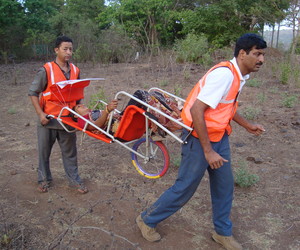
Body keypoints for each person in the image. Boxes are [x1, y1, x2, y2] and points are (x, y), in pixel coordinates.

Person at [136, 33, 267, 250]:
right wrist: (208, 151)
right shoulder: (225, 75)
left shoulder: (240, 75)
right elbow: (198, 109)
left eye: (263, 54)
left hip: (219, 137)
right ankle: (146, 219)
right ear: (242, 54)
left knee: (224, 187)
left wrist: (247, 124)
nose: (261, 60)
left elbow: (226, 106)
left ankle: (222, 233)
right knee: (184, 188)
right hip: (199, 138)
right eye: (257, 54)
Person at [28, 35, 88, 194]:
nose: (69, 52)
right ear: (56, 50)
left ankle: (74, 181)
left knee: (70, 153)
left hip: (68, 121)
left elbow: (78, 94)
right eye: (65, 49)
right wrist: (41, 115)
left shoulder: (76, 70)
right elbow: (33, 93)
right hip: (48, 120)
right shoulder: (46, 70)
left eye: (71, 49)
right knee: (44, 153)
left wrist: (79, 113)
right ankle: (44, 180)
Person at [72, 90, 182, 135]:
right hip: (119, 124)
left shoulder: (92, 112)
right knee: (141, 94)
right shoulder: (82, 120)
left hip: (121, 117)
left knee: (154, 93)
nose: (82, 105)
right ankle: (166, 123)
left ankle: (176, 113)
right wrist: (106, 111)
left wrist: (108, 110)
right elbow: (95, 126)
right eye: (78, 107)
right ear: (75, 115)